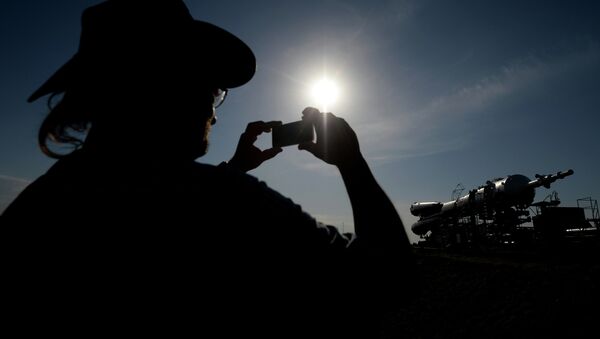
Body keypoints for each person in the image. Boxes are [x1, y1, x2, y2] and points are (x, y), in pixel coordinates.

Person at [3, 1, 415, 337]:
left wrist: (235, 167)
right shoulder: (226, 204)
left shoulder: (37, 205)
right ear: (169, 83)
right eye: (213, 88)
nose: (213, 112)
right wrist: (351, 161)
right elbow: (384, 279)